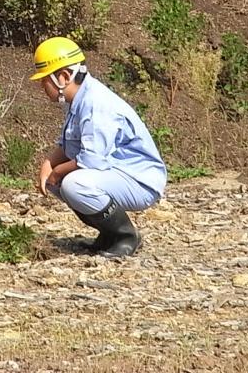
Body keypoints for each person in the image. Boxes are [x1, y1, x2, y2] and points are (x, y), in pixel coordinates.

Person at [31, 37, 167, 257]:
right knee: (60, 182)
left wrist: (57, 172)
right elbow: (69, 144)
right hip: (118, 173)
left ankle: (125, 236)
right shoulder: (80, 100)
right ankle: (107, 234)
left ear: (63, 77)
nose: (41, 86)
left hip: (140, 180)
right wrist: (48, 166)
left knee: (75, 184)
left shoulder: (96, 104)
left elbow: (91, 160)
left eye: (44, 80)